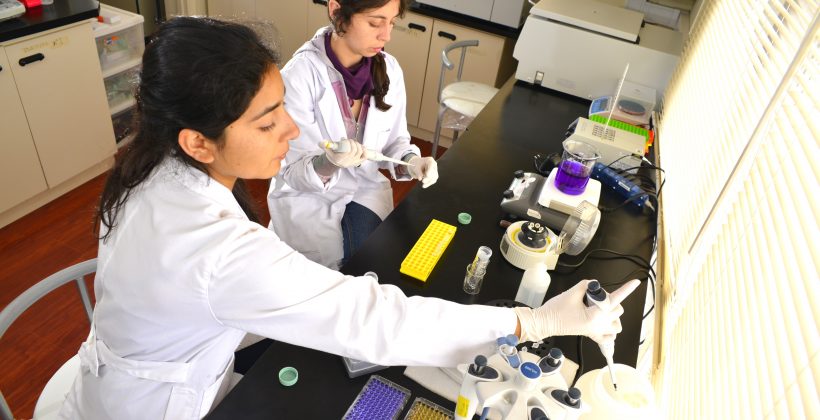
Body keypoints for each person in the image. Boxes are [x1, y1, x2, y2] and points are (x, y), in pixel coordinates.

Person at [58, 17, 640, 420]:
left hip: (162, 363)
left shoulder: (155, 167)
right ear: (198, 141)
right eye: (267, 122)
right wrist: (533, 323)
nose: (290, 129)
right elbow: (374, 320)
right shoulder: (217, 250)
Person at [267, 0, 439, 268]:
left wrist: (411, 161)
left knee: (373, 264)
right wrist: (327, 163)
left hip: (364, 191)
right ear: (337, 10)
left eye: (392, 23)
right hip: (309, 200)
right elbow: (291, 170)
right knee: (333, 277)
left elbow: (395, 140)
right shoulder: (298, 77)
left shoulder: (389, 69)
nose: (386, 35)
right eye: (375, 22)